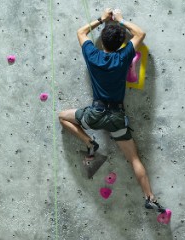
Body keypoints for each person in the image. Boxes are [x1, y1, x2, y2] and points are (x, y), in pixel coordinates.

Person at [58, 9, 166, 212]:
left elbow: (81, 32)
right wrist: (120, 19)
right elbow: (140, 34)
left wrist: (102, 19)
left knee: (63, 116)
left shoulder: (93, 55)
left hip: (95, 115)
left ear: (103, 43)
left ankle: (90, 142)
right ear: (121, 43)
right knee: (134, 159)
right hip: (117, 117)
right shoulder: (123, 56)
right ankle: (149, 197)